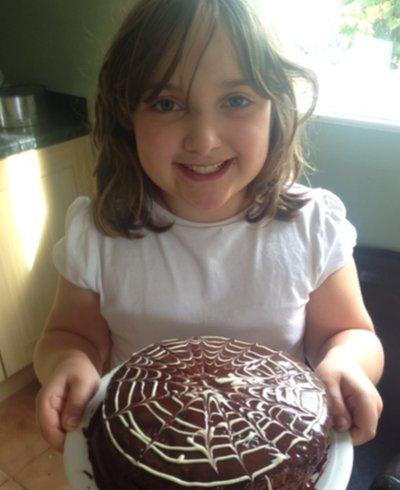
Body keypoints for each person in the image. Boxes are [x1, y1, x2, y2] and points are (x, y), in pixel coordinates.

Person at [35, 0, 384, 463]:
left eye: (236, 100)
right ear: (127, 117)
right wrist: (68, 361)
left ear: (274, 110)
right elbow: (68, 334)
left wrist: (346, 362)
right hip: (143, 458)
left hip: (276, 455)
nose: (203, 139)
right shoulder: (98, 232)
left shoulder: (311, 226)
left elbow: (351, 333)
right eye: (166, 103)